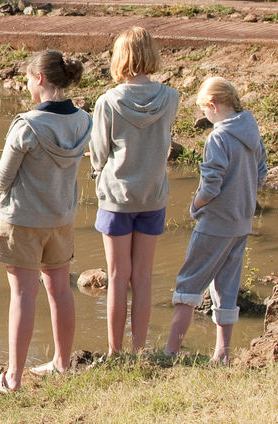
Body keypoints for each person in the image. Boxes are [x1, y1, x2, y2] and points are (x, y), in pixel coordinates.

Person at [0, 50, 92, 391]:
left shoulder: (26, 125)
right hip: (61, 219)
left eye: (28, 79)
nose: (28, 85)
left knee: (23, 296)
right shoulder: (83, 120)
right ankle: (61, 362)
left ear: (39, 79)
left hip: (23, 221)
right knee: (60, 291)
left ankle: (12, 377)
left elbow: (1, 180)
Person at [89, 26, 180, 354]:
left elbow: (99, 154)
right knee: (143, 277)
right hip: (153, 195)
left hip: (116, 198)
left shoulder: (108, 101)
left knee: (116, 276)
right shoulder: (171, 98)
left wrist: (98, 177)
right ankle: (139, 350)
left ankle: (115, 352)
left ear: (120, 58)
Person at [165, 76, 267, 364]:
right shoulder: (251, 131)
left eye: (204, 111)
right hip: (241, 223)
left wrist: (195, 205)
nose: (205, 118)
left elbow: (211, 185)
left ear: (213, 105)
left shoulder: (219, 137)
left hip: (215, 223)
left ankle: (171, 351)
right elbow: (261, 172)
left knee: (187, 286)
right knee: (226, 288)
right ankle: (222, 353)